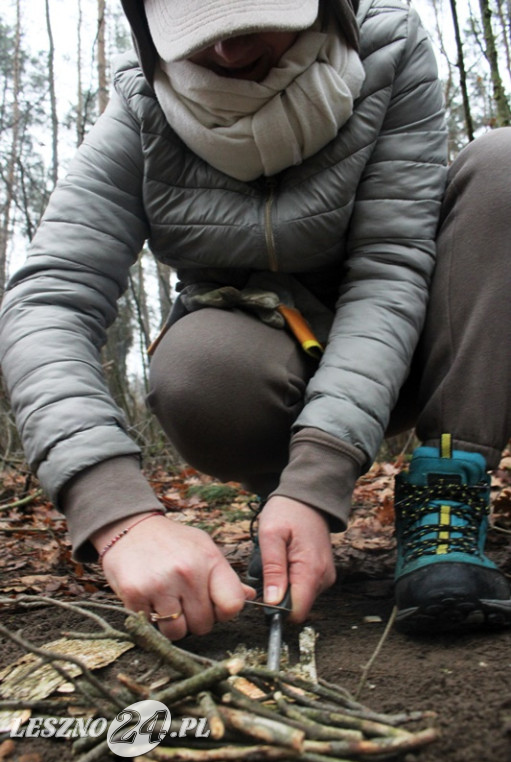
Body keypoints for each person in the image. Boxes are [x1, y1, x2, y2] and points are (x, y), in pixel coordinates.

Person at [1, 0, 510, 641]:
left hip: (415, 346)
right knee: (199, 368)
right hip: (269, 363)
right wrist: (116, 511)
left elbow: (388, 267)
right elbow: (51, 295)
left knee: (503, 166)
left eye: (249, 21)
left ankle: (445, 488)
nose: (231, 54)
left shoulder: (387, 50)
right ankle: (283, 508)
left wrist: (319, 477)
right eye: (200, 32)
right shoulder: (142, 103)